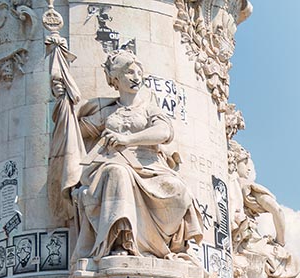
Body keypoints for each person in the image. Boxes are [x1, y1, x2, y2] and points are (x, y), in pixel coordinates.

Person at [50, 50, 202, 262]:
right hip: (114, 164)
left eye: (138, 72)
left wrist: (128, 139)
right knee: (117, 174)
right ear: (115, 79)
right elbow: (75, 130)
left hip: (150, 167)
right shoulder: (107, 112)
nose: (136, 77)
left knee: (178, 189)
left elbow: (164, 132)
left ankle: (172, 245)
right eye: (129, 72)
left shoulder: (149, 108)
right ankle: (120, 241)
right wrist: (64, 101)